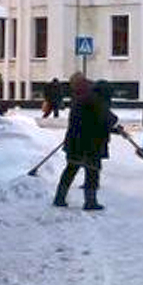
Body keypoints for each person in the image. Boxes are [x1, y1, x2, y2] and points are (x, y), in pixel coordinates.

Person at [53, 73, 121, 210]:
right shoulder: (95, 99)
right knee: (92, 171)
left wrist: (112, 129)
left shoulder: (82, 96)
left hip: (75, 141)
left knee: (71, 169)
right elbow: (106, 119)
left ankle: (59, 198)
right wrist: (113, 124)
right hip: (91, 144)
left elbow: (92, 120)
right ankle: (90, 202)